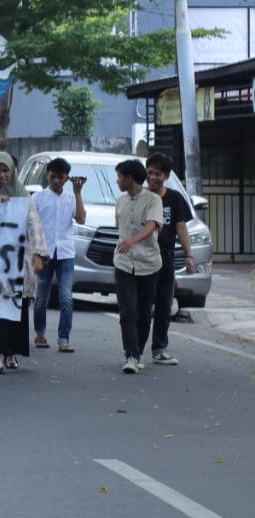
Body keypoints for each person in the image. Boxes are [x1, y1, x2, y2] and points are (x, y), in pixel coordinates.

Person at [0, 152, 48, 374]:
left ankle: (11, 352)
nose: (1, 175)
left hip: (18, 260)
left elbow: (34, 224)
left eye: (5, 170)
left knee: (18, 308)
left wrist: (39, 254)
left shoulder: (23, 195)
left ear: (12, 172)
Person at [113, 158, 164, 374]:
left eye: (119, 177)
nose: (117, 181)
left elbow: (152, 225)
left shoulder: (153, 200)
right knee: (127, 310)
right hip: (123, 262)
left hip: (148, 262)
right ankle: (131, 355)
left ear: (130, 178)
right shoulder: (120, 201)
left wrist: (133, 240)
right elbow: (119, 227)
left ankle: (138, 351)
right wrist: (126, 242)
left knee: (144, 311)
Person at [145, 152, 195, 366]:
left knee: (164, 306)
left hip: (165, 260)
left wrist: (189, 255)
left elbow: (181, 228)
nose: (152, 177)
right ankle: (134, 349)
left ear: (166, 176)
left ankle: (159, 349)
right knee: (141, 306)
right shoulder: (141, 197)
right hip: (142, 260)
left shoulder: (174, 199)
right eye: (149, 173)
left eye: (157, 174)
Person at [32, 157, 85, 353]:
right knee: (41, 299)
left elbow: (81, 218)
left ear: (66, 178)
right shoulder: (38, 198)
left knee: (66, 298)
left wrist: (78, 193)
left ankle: (64, 338)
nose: (56, 181)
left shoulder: (71, 198)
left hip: (65, 253)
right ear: (47, 175)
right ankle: (40, 333)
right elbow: (31, 226)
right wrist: (34, 253)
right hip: (44, 253)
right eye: (53, 176)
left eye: (60, 178)